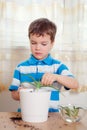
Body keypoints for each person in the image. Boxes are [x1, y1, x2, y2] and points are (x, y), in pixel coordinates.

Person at [9, 18, 79, 112]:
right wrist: (21, 93)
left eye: (44, 44)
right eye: (33, 43)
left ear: (52, 44)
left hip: (52, 116)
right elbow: (14, 95)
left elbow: (75, 84)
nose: (37, 48)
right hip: (26, 114)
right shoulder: (21, 67)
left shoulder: (57, 66)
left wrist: (56, 77)